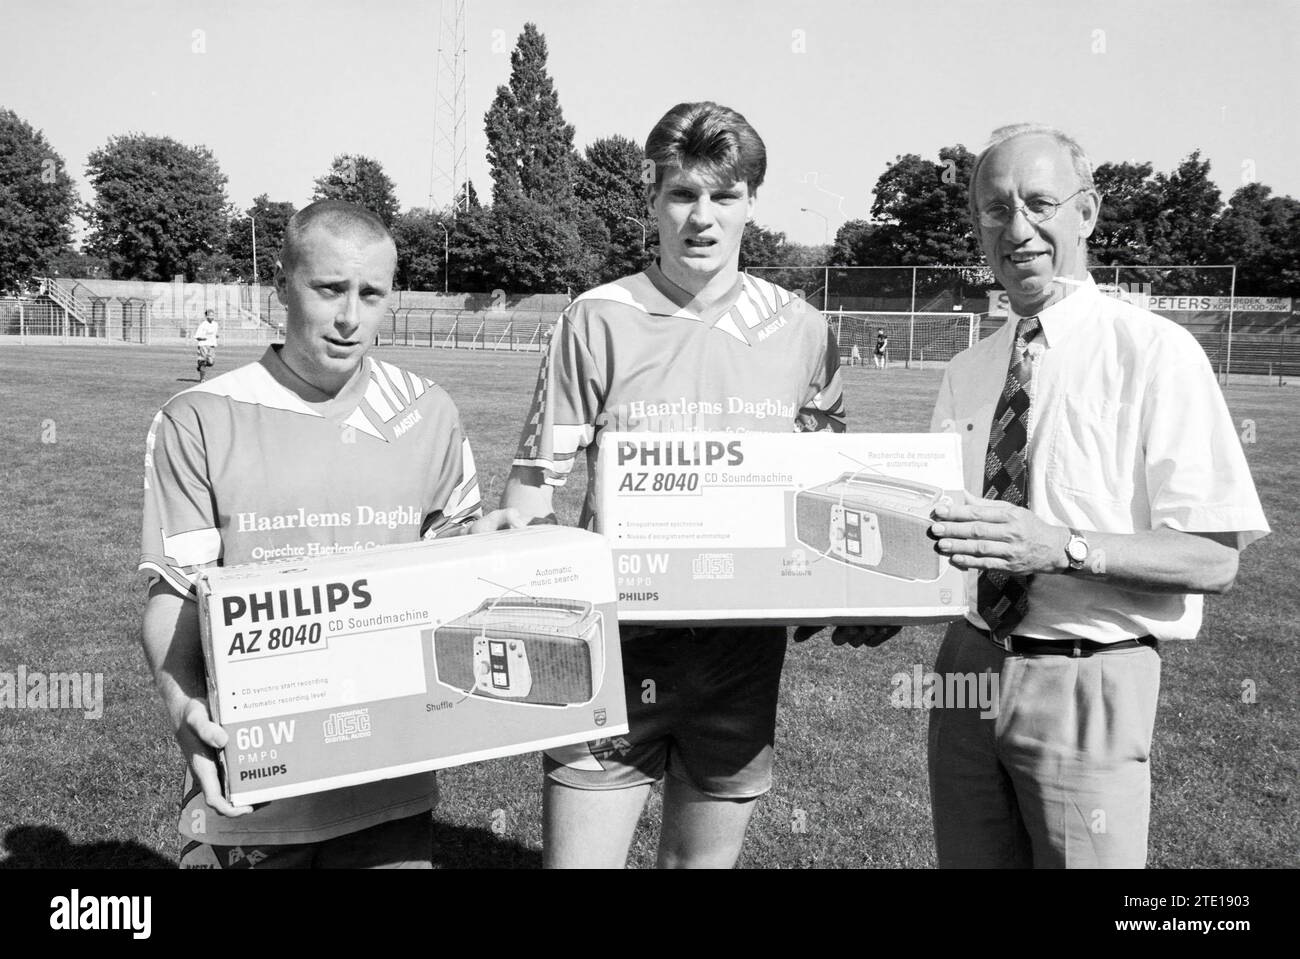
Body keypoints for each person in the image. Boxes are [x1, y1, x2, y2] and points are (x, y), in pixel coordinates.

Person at [502, 101, 845, 868]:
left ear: (751, 203)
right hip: (615, 647)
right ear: (652, 199)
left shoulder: (802, 328)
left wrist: (846, 589)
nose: (703, 217)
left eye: (724, 196)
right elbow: (530, 494)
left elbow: (823, 489)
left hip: (741, 651)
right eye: (683, 194)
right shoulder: (596, 319)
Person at [925, 123, 1269, 867]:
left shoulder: (1155, 352)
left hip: (1091, 674)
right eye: (994, 209)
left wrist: (1064, 546)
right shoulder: (969, 369)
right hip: (967, 670)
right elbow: (947, 534)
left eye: (1039, 202)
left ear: (1086, 212)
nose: (1017, 229)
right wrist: (874, 600)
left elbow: (1214, 558)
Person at [139, 199, 514, 869]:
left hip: (389, 789)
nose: (350, 317)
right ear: (281, 284)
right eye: (329, 289)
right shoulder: (198, 416)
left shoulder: (427, 414)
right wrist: (183, 705)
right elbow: (174, 598)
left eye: (371, 294)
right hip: (253, 784)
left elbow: (454, 581)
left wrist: (504, 550)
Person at [194, 309, 219, 382]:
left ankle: (199, 365)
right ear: (206, 316)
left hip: (211, 346)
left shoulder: (215, 324)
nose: (212, 317)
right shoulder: (203, 325)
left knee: (211, 363)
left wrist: (216, 336)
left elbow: (214, 334)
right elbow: (197, 337)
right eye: (210, 315)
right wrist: (202, 338)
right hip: (203, 345)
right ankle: (202, 379)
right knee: (203, 362)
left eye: (213, 315)